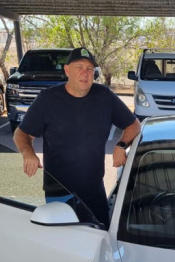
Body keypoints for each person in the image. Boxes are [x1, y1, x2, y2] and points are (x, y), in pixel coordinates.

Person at [13, 47, 140, 225]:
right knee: (62, 245)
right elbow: (21, 133)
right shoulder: (48, 99)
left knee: (100, 239)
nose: (85, 73)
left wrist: (121, 145)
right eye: (79, 67)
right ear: (67, 70)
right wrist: (28, 153)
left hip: (94, 190)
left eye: (89, 69)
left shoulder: (104, 96)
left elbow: (133, 125)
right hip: (59, 192)